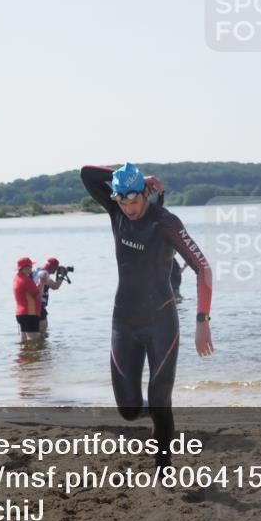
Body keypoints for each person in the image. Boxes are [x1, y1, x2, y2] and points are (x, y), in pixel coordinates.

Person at [81, 162, 213, 468]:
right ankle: (157, 416)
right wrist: (127, 176)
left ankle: (163, 466)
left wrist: (202, 321)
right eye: (122, 201)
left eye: (134, 200)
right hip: (124, 322)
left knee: (159, 397)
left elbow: (203, 268)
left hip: (161, 322)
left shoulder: (165, 222)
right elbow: (86, 174)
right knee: (128, 410)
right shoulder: (115, 213)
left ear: (145, 194)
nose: (128, 208)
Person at [32, 257, 66, 334]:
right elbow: (55, 286)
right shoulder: (45, 274)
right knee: (43, 328)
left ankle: (39, 344)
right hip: (39, 304)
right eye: (56, 268)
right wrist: (62, 275)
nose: (56, 270)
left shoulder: (38, 271)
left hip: (33, 304)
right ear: (53, 267)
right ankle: (42, 344)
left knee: (36, 330)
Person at [13, 257, 43, 342]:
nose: (32, 268)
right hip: (30, 313)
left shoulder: (17, 278)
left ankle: (23, 355)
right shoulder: (26, 280)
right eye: (30, 266)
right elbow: (38, 295)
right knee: (34, 340)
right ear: (25, 268)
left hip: (20, 314)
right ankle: (32, 355)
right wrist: (42, 282)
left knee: (24, 339)